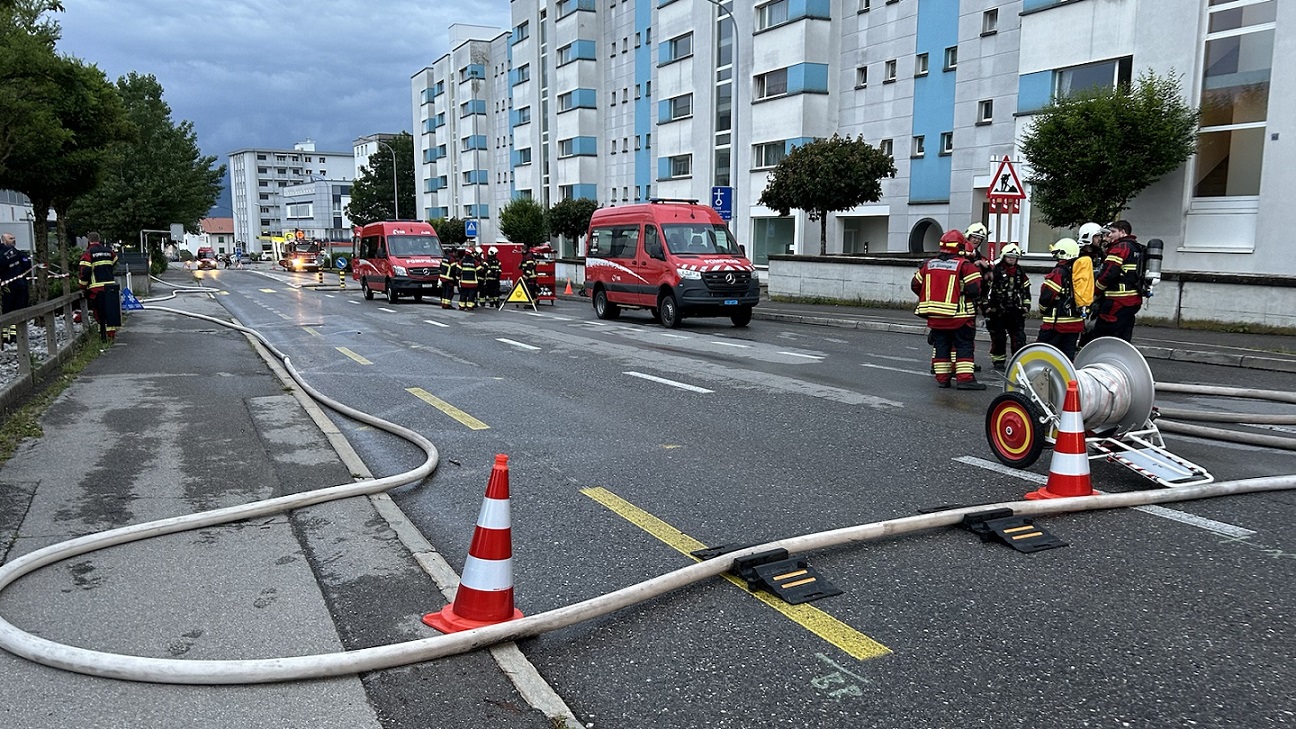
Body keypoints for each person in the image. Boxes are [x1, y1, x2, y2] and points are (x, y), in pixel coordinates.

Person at [912, 229, 985, 390]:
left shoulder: (929, 265)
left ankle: (943, 379)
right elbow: (975, 290)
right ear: (960, 246)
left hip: (936, 316)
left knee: (942, 347)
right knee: (963, 346)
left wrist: (933, 296)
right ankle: (965, 380)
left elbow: (915, 285)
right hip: (960, 316)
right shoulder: (965, 266)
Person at [1091, 220, 1144, 342]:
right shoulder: (1137, 248)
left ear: (1123, 232)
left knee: (1103, 335)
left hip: (1117, 301)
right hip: (1133, 300)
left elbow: (1108, 273)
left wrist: (1095, 291)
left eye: (1113, 232)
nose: (1109, 235)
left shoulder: (1120, 248)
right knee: (1123, 337)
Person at [983, 243, 1031, 370]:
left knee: (1019, 338)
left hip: (1015, 311)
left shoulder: (1020, 272)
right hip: (997, 311)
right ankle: (998, 361)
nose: (1011, 259)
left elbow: (1025, 290)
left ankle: (1018, 360)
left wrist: (1026, 305)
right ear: (1003, 257)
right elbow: (986, 290)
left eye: (1014, 257)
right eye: (1009, 257)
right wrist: (986, 307)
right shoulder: (995, 271)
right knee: (998, 337)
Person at [1037, 238, 1086, 360]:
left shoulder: (1059, 272)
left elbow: (1047, 295)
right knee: (1066, 358)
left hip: (1056, 325)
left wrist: (1043, 309)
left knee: (1043, 356)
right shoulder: (1079, 271)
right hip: (1075, 324)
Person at [78, 231, 119, 341]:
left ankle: (102, 335)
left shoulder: (88, 253)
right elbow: (115, 260)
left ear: (88, 241)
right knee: (110, 311)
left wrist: (82, 285)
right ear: (99, 240)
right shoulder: (108, 251)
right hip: (110, 286)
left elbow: (85, 271)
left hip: (96, 288)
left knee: (99, 312)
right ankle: (110, 335)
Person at [1, 232, 32, 345]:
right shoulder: (11, 253)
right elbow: (26, 264)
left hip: (16, 286)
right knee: (11, 310)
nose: (13, 240)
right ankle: (10, 335)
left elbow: (27, 264)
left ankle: (11, 335)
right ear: (3, 240)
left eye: (14, 238)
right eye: (10, 238)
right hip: (11, 287)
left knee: (14, 310)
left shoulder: (16, 252)